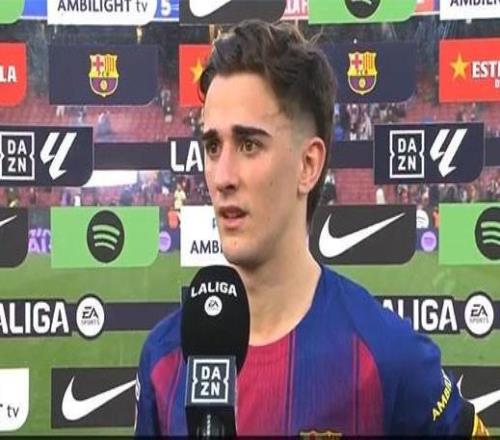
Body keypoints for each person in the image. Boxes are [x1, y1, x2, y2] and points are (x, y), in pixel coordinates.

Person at [134, 20, 488, 436]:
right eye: (213, 146)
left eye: (249, 144)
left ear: (308, 165)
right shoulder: (163, 357)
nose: (223, 176)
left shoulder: (389, 356)